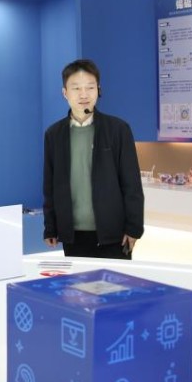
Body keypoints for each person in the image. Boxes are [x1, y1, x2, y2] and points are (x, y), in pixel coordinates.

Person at [42, 59, 145, 259]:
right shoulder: (54, 134)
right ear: (65, 93)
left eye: (90, 87)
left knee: (114, 280)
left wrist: (134, 227)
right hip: (73, 235)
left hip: (114, 234)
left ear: (98, 90)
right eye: (76, 88)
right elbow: (50, 186)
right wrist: (50, 227)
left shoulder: (118, 130)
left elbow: (132, 184)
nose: (84, 94)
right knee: (78, 280)